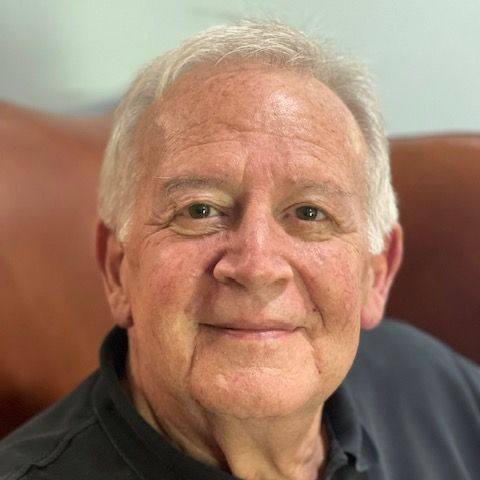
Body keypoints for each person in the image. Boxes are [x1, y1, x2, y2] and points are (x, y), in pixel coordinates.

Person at [1, 20, 478, 480]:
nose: (256, 266)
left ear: (378, 274)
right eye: (199, 210)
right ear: (117, 268)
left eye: (310, 213)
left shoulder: (431, 386)